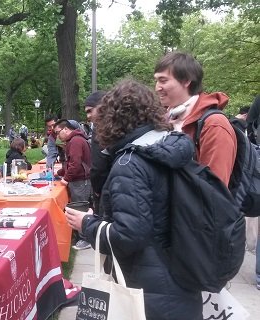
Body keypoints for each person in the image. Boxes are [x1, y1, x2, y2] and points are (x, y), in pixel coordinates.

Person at [67, 79, 203, 319]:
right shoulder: (170, 146)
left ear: (115, 118)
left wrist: (87, 225)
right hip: (181, 272)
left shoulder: (130, 163)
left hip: (150, 289)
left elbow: (128, 237)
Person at [154, 51, 236, 187]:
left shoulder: (214, 125)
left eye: (163, 80)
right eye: (156, 81)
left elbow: (215, 191)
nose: (157, 88)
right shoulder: (165, 119)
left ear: (186, 80)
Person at [54, 119, 92, 250]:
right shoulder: (74, 140)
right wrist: (59, 172)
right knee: (78, 207)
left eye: (58, 132)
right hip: (78, 180)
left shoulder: (75, 141)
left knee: (80, 208)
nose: (57, 136)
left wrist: (66, 178)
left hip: (80, 181)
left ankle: (85, 239)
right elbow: (70, 164)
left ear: (65, 129)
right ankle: (80, 236)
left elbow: (75, 164)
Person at [84, 91, 111, 215]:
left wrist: (97, 188)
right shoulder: (118, 126)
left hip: (106, 187)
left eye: (90, 111)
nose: (88, 116)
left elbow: (98, 163)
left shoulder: (100, 128)